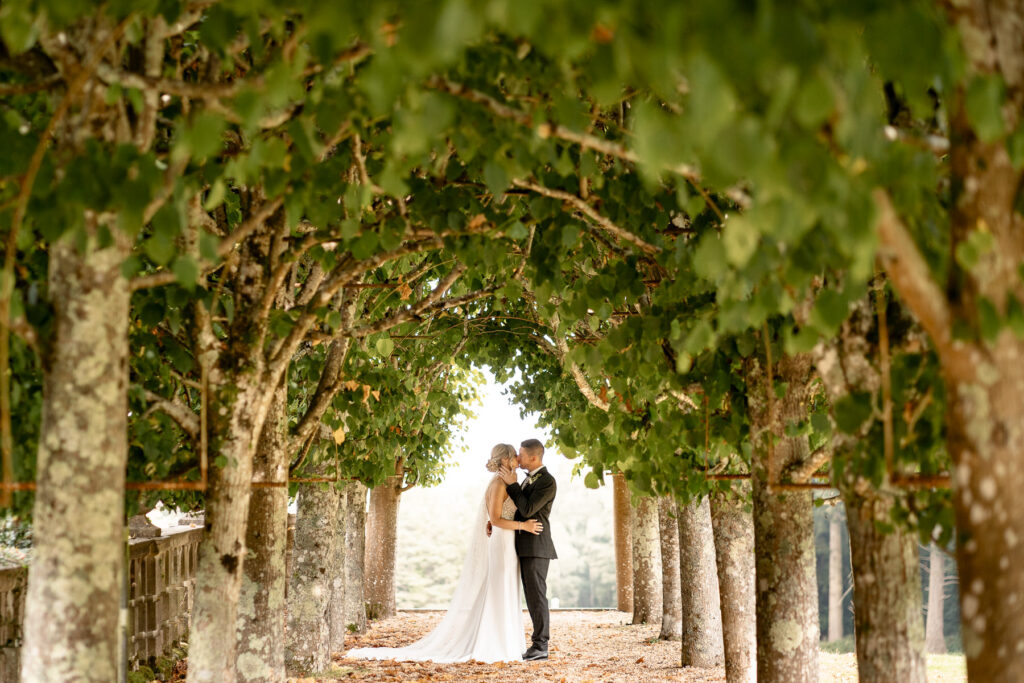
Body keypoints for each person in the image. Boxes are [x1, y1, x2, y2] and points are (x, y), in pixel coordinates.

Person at [344, 443, 542, 663]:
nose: (517, 458)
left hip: (507, 541)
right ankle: (496, 642)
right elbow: (496, 519)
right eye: (514, 455)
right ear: (505, 460)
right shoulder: (498, 484)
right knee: (500, 587)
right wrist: (523, 527)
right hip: (502, 544)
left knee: (504, 587)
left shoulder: (504, 482)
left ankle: (505, 641)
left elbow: (496, 518)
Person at [497, 438, 557, 661]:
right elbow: (518, 510)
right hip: (523, 544)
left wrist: (512, 484)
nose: (518, 458)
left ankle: (541, 645)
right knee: (531, 596)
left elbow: (529, 508)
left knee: (536, 596)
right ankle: (536, 644)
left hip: (536, 546)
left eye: (521, 454)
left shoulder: (547, 481)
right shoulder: (528, 479)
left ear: (534, 457)